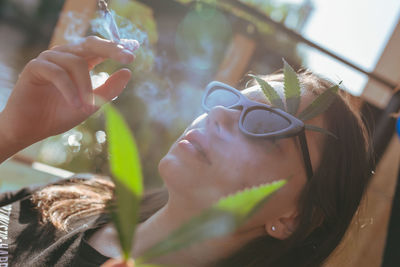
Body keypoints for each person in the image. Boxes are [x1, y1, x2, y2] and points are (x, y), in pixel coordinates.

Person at [0, 36, 371, 267]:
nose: (220, 114)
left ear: (296, 215)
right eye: (230, 100)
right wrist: (11, 134)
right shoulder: (74, 197)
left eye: (264, 124)